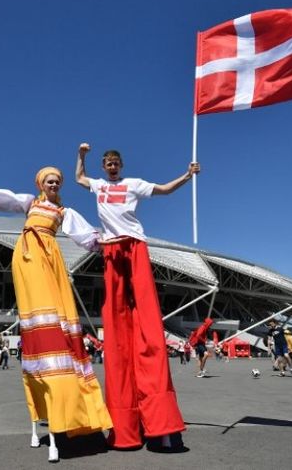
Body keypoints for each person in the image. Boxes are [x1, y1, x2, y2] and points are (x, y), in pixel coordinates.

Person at [0, 163, 112, 462]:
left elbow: (86, 235)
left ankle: (62, 383)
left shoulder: (63, 212)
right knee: (35, 307)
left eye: (56, 182)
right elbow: (6, 199)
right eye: (49, 181)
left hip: (49, 253)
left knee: (54, 308)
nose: (53, 185)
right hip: (27, 253)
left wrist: (108, 241)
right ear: (41, 184)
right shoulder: (31, 202)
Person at [75, 143, 197, 450]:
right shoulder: (99, 184)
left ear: (121, 165)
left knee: (146, 314)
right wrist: (82, 155)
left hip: (134, 244)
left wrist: (187, 175)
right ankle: (125, 426)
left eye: (116, 162)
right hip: (111, 248)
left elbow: (166, 190)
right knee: (115, 317)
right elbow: (78, 178)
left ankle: (160, 422)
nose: (112, 166)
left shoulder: (133, 184)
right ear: (104, 167)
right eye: (108, 163)